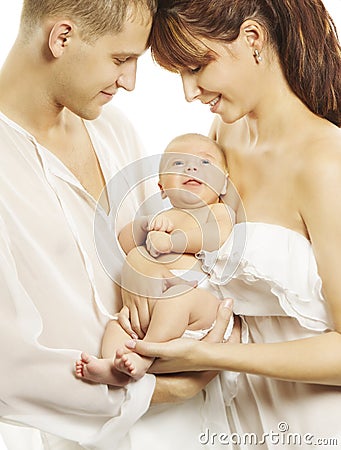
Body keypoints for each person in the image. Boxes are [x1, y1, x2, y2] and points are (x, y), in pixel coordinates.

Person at [0, 1, 234, 450]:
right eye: (121, 59)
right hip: (73, 438)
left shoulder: (115, 130)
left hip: (187, 430)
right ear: (61, 38)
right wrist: (168, 388)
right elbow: (7, 369)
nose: (129, 82)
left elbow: (165, 258)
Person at [117, 0, 341, 448]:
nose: (189, 92)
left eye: (197, 66)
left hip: (309, 421)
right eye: (179, 73)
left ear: (253, 39)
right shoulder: (225, 134)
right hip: (231, 412)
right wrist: (139, 271)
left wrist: (206, 354)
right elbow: (203, 253)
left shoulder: (324, 161)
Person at [75, 132, 234, 382]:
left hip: (199, 307)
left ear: (224, 185)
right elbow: (125, 241)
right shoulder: (161, 217)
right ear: (161, 187)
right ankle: (113, 367)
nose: (192, 167)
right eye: (178, 163)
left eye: (205, 162)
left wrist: (173, 241)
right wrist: (145, 228)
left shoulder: (216, 211)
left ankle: (145, 355)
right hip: (152, 312)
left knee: (176, 298)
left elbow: (216, 237)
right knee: (118, 324)